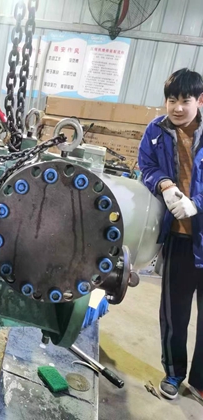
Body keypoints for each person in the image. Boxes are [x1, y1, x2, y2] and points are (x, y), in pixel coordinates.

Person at [138, 68, 203, 403]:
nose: (177, 107)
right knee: (175, 314)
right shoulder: (156, 131)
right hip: (178, 239)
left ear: (200, 100)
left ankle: (201, 381)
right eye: (172, 99)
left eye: (185, 100)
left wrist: (197, 204)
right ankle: (174, 373)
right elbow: (146, 166)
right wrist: (163, 184)